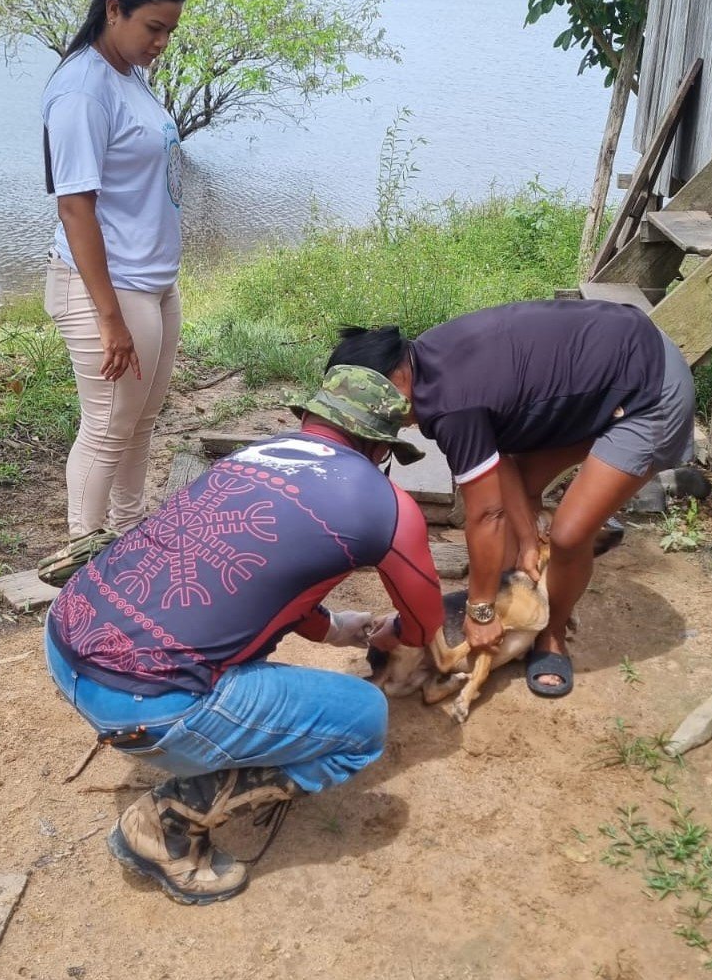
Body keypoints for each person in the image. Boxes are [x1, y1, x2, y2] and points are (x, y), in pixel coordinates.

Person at [44, 364, 444, 905]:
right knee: (364, 718)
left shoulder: (253, 455)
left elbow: (257, 573)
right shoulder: (390, 507)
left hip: (66, 636)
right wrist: (391, 632)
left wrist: (335, 630)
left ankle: (183, 738)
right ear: (380, 450)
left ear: (309, 418)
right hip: (144, 706)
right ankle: (166, 826)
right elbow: (424, 625)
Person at [327, 300, 695, 700]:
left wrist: (480, 610)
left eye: (371, 408)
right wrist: (523, 544)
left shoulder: (451, 403)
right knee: (511, 506)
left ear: (396, 375)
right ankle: (520, 596)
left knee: (569, 535)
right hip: (606, 370)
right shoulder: (425, 365)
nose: (378, 424)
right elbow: (497, 461)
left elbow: (486, 513)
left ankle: (551, 637)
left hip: (649, 388)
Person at [38, 0, 188, 582]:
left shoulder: (127, 74)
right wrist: (109, 319)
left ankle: (128, 538)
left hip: (151, 282)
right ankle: (82, 565)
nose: (160, 43)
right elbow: (75, 207)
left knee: (140, 419)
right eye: (153, 27)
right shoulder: (80, 90)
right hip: (106, 289)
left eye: (170, 32)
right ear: (114, 9)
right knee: (106, 425)